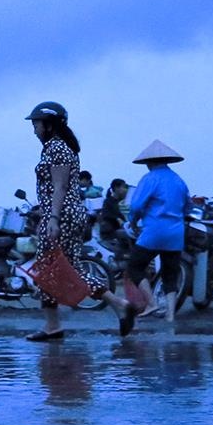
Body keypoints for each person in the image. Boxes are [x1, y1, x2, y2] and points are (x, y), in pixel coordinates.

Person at [24, 101, 131, 343]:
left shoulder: (58, 148)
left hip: (62, 215)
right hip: (66, 214)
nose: (34, 130)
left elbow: (60, 186)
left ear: (50, 125)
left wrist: (52, 217)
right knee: (65, 270)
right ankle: (115, 305)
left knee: (50, 269)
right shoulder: (57, 148)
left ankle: (55, 325)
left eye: (36, 125)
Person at [124, 140, 190, 322]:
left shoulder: (150, 178)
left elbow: (136, 206)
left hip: (154, 231)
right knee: (170, 274)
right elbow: (188, 207)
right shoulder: (179, 180)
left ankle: (151, 303)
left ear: (149, 162)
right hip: (176, 233)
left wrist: (133, 221)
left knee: (135, 266)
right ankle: (170, 315)